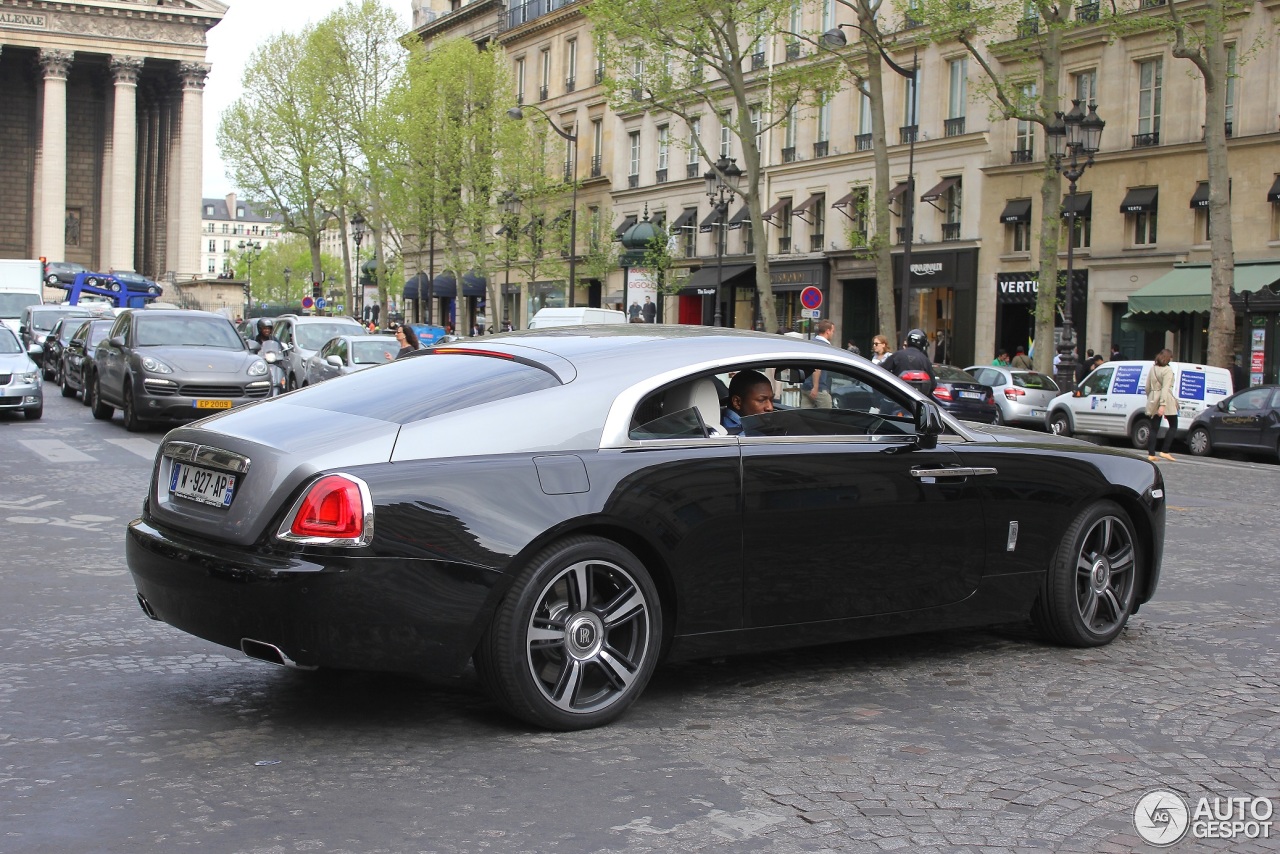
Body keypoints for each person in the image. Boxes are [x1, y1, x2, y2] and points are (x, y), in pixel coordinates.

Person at [879, 328, 936, 394]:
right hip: (917, 396)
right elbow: (933, 385)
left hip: (897, 395)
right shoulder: (925, 360)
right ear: (923, 343)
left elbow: (881, 370)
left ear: (908, 340)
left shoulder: (897, 355)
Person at [1145, 348, 1178, 462]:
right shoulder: (1168, 370)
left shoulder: (1153, 368)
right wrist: (1163, 404)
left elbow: (1147, 387)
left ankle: (1151, 453)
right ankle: (1165, 451)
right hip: (1166, 399)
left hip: (1153, 397)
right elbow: (1165, 388)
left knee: (1154, 427)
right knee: (1173, 425)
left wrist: (1151, 398)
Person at [721, 369, 774, 435]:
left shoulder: (722, 420)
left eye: (772, 400)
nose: (770, 407)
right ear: (737, 402)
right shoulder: (741, 435)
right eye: (761, 400)